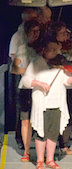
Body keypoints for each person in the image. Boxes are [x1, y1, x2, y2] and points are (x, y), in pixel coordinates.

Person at [21, 37, 72, 169]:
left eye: (57, 49)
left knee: (53, 133)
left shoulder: (59, 65)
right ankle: (40, 160)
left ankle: (50, 159)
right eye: (52, 49)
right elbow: (26, 80)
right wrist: (39, 83)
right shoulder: (37, 62)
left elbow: (67, 82)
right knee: (42, 133)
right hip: (43, 105)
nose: (56, 52)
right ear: (44, 49)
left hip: (57, 104)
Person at [10, 19, 41, 161]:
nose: (35, 34)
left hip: (40, 89)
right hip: (26, 89)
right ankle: (27, 151)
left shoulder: (43, 47)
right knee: (25, 120)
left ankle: (43, 152)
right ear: (27, 33)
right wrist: (29, 72)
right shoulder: (22, 48)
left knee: (41, 121)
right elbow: (14, 69)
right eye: (32, 31)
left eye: (38, 31)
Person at [49, 21, 72, 155]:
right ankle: (52, 143)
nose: (66, 36)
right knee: (54, 116)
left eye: (67, 32)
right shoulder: (51, 50)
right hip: (55, 88)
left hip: (70, 86)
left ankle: (64, 143)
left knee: (69, 115)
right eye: (62, 33)